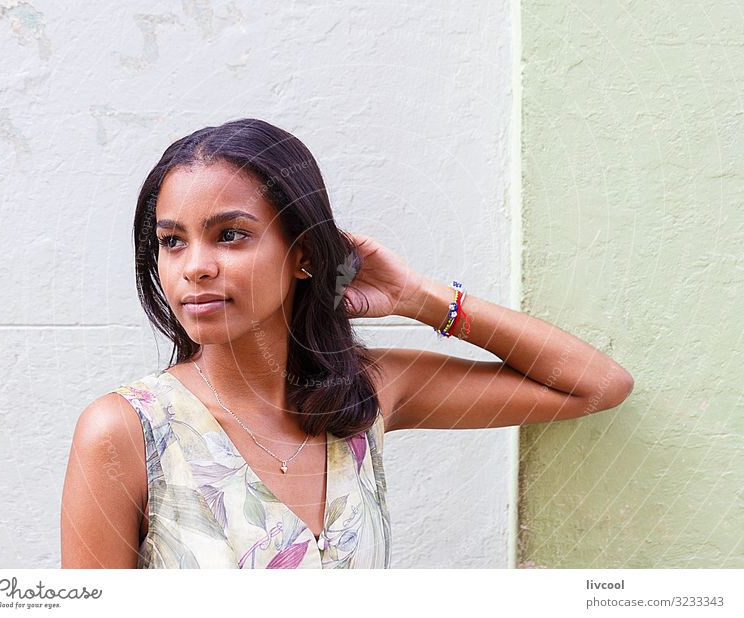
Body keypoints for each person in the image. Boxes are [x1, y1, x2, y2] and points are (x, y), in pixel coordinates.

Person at [60, 118, 634, 569]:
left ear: (304, 254)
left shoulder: (368, 394)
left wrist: (418, 297)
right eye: (172, 242)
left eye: (230, 236)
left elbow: (596, 385)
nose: (196, 267)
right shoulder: (128, 431)